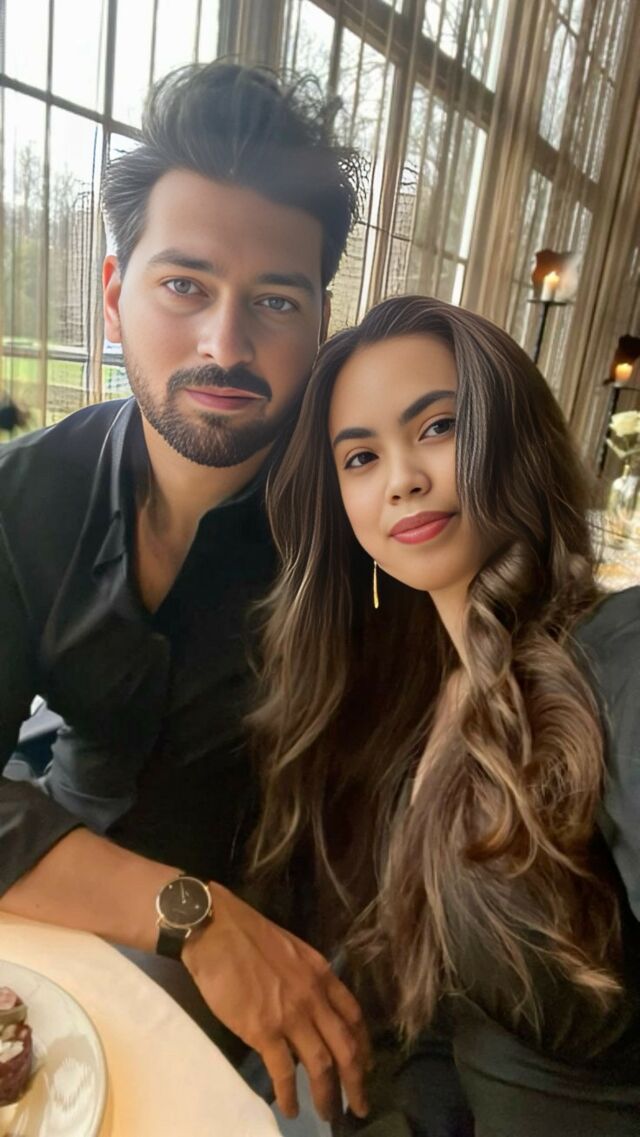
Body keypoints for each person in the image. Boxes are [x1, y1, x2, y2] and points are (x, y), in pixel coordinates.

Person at [0, 59, 372, 1125]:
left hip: (305, 939)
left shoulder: (365, 514)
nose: (225, 344)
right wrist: (190, 917)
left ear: (319, 321)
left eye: (274, 301)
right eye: (185, 286)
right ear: (114, 295)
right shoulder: (23, 499)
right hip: (75, 896)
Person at [250, 294, 640, 1135]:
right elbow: (454, 1021)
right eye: (361, 457)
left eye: (437, 426)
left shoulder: (618, 657)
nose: (402, 478)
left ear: (515, 434)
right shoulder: (419, 695)